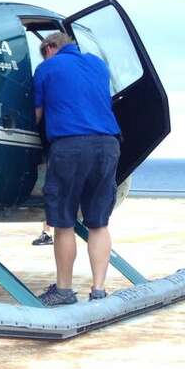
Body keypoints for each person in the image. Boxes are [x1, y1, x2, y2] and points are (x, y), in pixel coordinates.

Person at [32, 31, 121, 306]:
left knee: (63, 222)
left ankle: (64, 291)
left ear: (49, 47)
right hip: (108, 145)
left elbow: (37, 115)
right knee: (98, 223)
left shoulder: (47, 67)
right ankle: (98, 290)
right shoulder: (97, 64)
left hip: (70, 147)